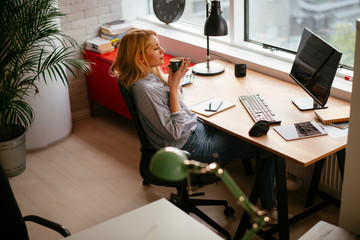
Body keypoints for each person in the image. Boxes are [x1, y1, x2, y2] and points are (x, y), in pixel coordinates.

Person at [110, 29, 279, 223]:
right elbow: (173, 132)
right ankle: (269, 211)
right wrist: (173, 88)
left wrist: (174, 83)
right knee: (265, 146)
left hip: (196, 131)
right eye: (156, 48)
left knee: (243, 128)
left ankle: (268, 192)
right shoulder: (145, 90)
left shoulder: (149, 78)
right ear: (140, 57)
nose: (162, 50)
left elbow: (177, 105)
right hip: (190, 147)